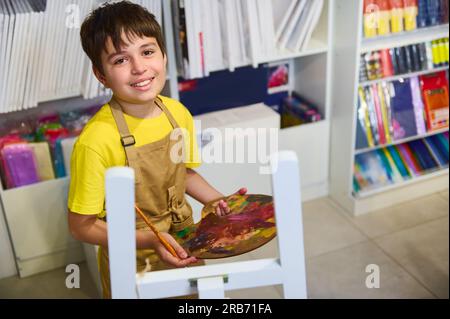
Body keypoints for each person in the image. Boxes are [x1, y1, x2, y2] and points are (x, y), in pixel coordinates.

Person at [67, 1, 246, 299]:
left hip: (185, 240)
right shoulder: (96, 141)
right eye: (120, 60)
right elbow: (81, 226)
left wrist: (215, 200)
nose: (139, 68)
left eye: (147, 52)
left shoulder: (177, 113)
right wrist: (149, 240)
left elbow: (183, 173)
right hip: (132, 256)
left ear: (163, 56)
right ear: (101, 74)